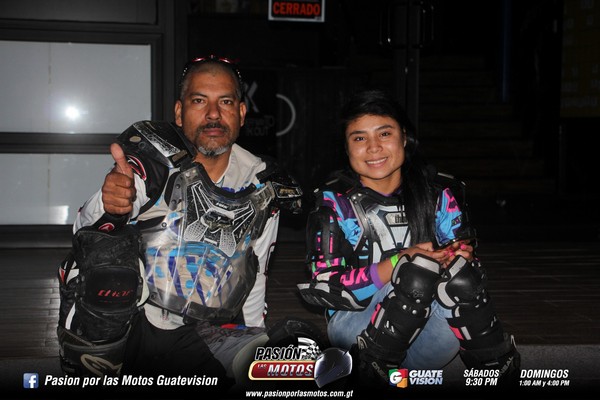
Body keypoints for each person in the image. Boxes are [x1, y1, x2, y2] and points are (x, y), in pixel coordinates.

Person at [56, 55, 308, 388]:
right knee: (107, 261)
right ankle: (94, 364)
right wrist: (111, 204)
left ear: (241, 113)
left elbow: (254, 270)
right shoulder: (152, 164)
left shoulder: (261, 183)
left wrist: (253, 338)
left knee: (293, 360)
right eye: (199, 101)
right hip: (132, 322)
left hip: (205, 329)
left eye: (225, 102)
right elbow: (85, 232)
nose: (213, 114)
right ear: (179, 112)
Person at [298, 89, 520, 389]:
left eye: (384, 134)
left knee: (461, 277)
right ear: (346, 147)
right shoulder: (334, 201)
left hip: (430, 334)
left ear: (404, 138)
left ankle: (495, 366)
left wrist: (456, 257)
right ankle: (375, 370)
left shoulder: (438, 192)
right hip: (356, 329)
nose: (374, 147)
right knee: (415, 271)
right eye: (360, 138)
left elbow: (467, 267)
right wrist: (396, 263)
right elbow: (325, 288)